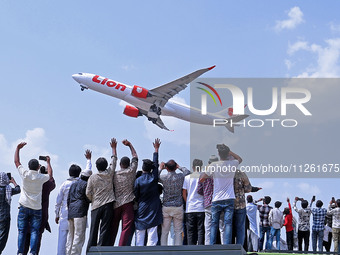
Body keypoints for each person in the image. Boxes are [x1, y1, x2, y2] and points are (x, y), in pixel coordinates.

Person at [200, 144, 242, 245]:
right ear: (227, 154)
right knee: (227, 224)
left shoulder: (214, 165)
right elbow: (240, 158)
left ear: (218, 154)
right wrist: (229, 151)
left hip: (216, 198)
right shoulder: (233, 164)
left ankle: (212, 246)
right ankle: (226, 246)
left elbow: (201, 179)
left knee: (214, 224)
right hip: (229, 197)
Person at [14, 142, 52, 255]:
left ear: (29, 166)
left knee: (21, 231)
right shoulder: (41, 177)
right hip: (36, 208)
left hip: (24, 206)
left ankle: (20, 253)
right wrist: (48, 162)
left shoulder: (25, 174)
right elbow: (50, 174)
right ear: (38, 167)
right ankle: (33, 252)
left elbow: (16, 162)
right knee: (35, 231)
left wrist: (17, 148)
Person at [86, 138, 117, 250]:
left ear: (96, 166)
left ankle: (90, 250)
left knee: (93, 229)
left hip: (95, 205)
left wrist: (93, 199)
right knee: (104, 229)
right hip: (108, 204)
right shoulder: (109, 173)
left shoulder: (92, 177)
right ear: (105, 166)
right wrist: (114, 148)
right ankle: (101, 250)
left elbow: (88, 193)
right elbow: (114, 161)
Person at [134, 138, 162, 246]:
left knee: (140, 233)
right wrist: (156, 150)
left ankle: (138, 251)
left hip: (142, 206)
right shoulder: (153, 178)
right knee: (152, 234)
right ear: (151, 169)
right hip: (154, 206)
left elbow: (136, 194)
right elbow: (156, 163)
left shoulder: (138, 180)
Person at [23, 164, 56, 255]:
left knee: (25, 241)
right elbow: (52, 181)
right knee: (36, 241)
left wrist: (37, 173)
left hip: (28, 214)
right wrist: (49, 166)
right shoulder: (47, 184)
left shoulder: (32, 182)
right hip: (41, 216)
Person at [112, 139, 138, 246]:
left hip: (116, 203)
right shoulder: (131, 172)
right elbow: (135, 157)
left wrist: (114, 149)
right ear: (128, 164)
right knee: (126, 227)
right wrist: (130, 145)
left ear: (120, 164)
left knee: (113, 227)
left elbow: (113, 162)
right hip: (128, 202)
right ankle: (121, 247)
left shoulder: (114, 174)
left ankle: (109, 247)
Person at [66, 150, 92, 255]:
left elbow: (68, 199)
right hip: (80, 213)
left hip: (71, 213)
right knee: (79, 236)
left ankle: (68, 253)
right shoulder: (86, 185)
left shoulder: (73, 184)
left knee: (70, 237)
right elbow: (87, 197)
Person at [159, 160, 190, 246]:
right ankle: (178, 250)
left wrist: (161, 168)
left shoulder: (164, 177)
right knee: (178, 231)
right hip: (178, 206)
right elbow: (188, 172)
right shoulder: (180, 176)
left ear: (167, 168)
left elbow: (155, 177)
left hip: (166, 206)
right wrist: (179, 167)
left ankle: (163, 250)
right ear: (175, 167)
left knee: (164, 232)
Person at [197, 155, 224, 245]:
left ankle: (208, 246)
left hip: (208, 203)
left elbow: (199, 190)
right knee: (222, 227)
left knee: (208, 227)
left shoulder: (203, 174)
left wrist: (206, 194)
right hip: (219, 202)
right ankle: (225, 247)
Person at [55, 163, 81, 255]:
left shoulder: (64, 184)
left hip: (65, 214)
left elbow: (58, 201)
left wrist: (57, 215)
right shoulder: (80, 184)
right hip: (77, 214)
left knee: (62, 239)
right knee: (75, 240)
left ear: (69, 173)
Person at [232, 168, 261, 245]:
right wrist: (256, 189)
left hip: (228, 204)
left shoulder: (223, 172)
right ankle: (241, 247)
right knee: (241, 228)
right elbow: (248, 188)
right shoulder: (240, 173)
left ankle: (229, 248)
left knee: (229, 228)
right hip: (240, 204)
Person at [182, 159, 205, 245]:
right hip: (201, 207)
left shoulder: (187, 178)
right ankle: (201, 250)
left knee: (190, 231)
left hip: (190, 208)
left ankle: (190, 250)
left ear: (193, 167)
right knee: (200, 230)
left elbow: (184, 192)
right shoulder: (203, 177)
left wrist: (187, 201)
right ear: (201, 167)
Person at [0, 172, 20, 254]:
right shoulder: (8, 189)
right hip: (5, 216)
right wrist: (13, 182)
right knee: (3, 237)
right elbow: (18, 190)